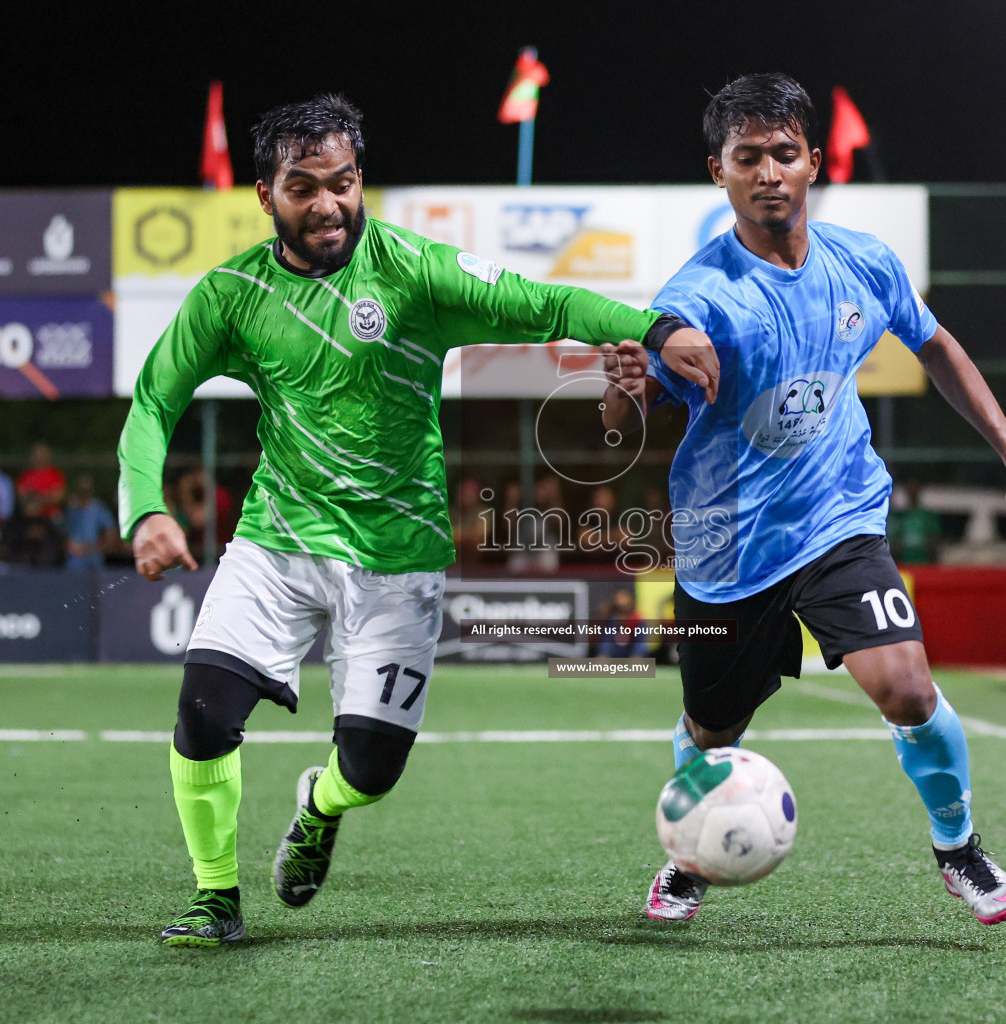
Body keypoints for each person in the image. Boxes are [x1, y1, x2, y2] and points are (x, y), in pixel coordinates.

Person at [117, 94, 720, 947]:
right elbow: (154, 400)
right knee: (205, 714)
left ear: (360, 181)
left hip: (398, 557)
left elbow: (538, 302)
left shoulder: (411, 271)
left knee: (370, 767)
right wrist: (145, 508)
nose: (327, 204)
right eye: (303, 188)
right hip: (278, 541)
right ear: (265, 196)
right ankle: (216, 895)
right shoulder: (232, 296)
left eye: (343, 183)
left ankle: (318, 809)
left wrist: (658, 329)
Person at [601, 74, 1006, 927]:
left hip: (840, 519)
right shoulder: (697, 299)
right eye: (748, 158)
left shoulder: (864, 261)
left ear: (813, 160)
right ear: (719, 172)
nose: (768, 172)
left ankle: (958, 849)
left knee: (909, 689)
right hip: (727, 548)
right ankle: (690, 854)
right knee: (709, 731)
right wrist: (624, 388)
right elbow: (626, 424)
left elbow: (935, 344)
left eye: (784, 153)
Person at [63, 475, 116, 570]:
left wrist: (101, 546)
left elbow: (110, 529)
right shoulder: (70, 508)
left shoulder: (98, 507)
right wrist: (69, 546)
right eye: (81, 488)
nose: (84, 491)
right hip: (75, 556)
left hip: (94, 554)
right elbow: (62, 529)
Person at [888, 479, 942, 565]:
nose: (913, 490)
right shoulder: (900, 516)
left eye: (916, 486)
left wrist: (934, 560)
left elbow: (934, 539)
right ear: (906, 489)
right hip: (903, 561)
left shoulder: (928, 516)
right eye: (910, 486)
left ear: (920, 488)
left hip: (924, 561)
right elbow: (895, 540)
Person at [15, 443, 66, 520]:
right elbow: (21, 496)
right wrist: (45, 496)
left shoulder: (56, 475)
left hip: (51, 516)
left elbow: (58, 497)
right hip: (28, 516)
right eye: (36, 454)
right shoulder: (25, 475)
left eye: (42, 453)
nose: (38, 457)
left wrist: (35, 499)